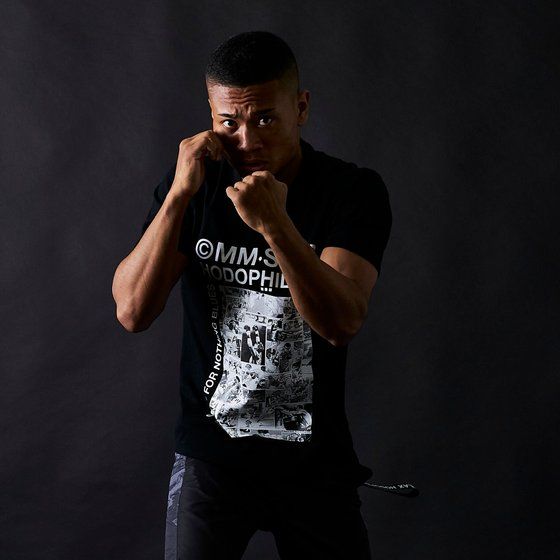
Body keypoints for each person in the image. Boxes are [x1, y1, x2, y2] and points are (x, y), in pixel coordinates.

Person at [112, 30, 393, 560]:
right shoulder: (195, 187)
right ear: (211, 116)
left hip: (314, 461)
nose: (246, 141)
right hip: (212, 457)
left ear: (300, 107)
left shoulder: (351, 191)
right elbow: (132, 311)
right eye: (229, 122)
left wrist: (275, 225)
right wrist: (178, 196)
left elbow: (341, 322)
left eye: (265, 118)